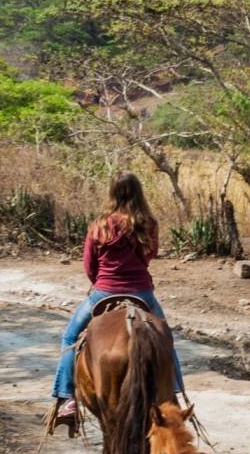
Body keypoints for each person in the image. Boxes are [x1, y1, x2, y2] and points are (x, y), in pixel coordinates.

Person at [51, 173, 184, 429]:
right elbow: (149, 257)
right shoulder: (148, 223)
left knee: (69, 338)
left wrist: (102, 282)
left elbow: (89, 266)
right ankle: (174, 393)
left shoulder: (99, 225)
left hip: (104, 292)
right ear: (139, 194)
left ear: (113, 193)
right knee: (165, 338)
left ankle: (68, 400)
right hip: (142, 293)